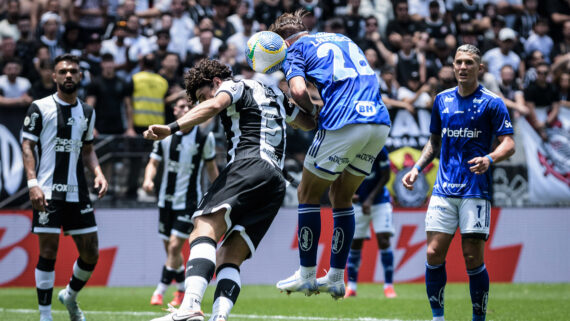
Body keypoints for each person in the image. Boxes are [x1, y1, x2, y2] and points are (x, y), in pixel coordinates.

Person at [143, 59, 316, 321]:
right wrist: (309, 105)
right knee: (229, 255)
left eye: (202, 95)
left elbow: (215, 105)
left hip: (248, 163)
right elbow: (307, 123)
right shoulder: (275, 94)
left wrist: (171, 128)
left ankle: (189, 305)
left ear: (215, 82)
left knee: (203, 227)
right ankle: (219, 317)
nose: (204, 102)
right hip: (275, 181)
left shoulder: (233, 86)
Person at [269, 9, 391, 299]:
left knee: (307, 193)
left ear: (282, 40)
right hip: (378, 122)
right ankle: (336, 278)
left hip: (344, 122)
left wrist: (311, 112)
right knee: (341, 197)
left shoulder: (293, 50)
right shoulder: (341, 39)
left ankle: (307, 274)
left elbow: (298, 91)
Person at [401, 44, 515, 321]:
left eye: (468, 63)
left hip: (475, 190)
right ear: (453, 66)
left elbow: (509, 143)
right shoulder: (441, 100)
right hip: (443, 188)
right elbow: (434, 142)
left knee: (472, 258)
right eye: (458, 62)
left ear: (480, 68)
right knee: (433, 252)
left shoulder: (492, 102)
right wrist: (417, 168)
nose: (462, 67)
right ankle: (438, 318)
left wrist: (490, 158)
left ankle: (478, 318)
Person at [21, 53, 109, 321]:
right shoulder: (40, 107)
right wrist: (32, 183)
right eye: (63, 71)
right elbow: (27, 145)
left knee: (91, 252)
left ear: (80, 76)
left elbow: (88, 149)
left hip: (77, 192)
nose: (68, 75)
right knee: (48, 251)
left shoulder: (88, 111)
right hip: (46, 191)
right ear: (54, 76)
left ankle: (69, 295)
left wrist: (98, 172)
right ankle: (45, 316)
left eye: (73, 71)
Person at [143, 97, 219, 307]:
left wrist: (218, 193)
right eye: (181, 106)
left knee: (175, 247)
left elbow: (211, 168)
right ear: (175, 111)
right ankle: (181, 289)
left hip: (189, 201)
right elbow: (153, 163)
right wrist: (148, 180)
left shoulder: (204, 136)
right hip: (165, 201)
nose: (185, 109)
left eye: (189, 106)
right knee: (170, 250)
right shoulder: (165, 137)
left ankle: (159, 290)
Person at [345, 147, 397, 299]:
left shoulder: (379, 149)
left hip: (380, 201)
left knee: (384, 240)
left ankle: (388, 286)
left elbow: (386, 176)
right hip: (358, 203)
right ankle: (352, 287)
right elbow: (342, 172)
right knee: (355, 243)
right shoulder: (351, 146)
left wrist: (370, 199)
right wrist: (350, 193)